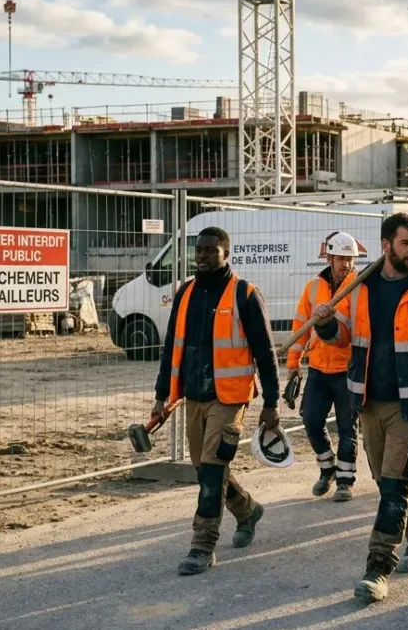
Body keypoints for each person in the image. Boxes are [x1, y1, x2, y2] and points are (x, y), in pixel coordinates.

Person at [312, 212, 408, 604]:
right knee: (387, 479)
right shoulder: (359, 289)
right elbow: (341, 337)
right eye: (406, 243)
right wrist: (326, 323)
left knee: (397, 478)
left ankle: (378, 566)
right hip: (366, 399)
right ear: (386, 246)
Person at [151, 226, 281, 576]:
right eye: (199, 250)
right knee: (206, 470)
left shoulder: (245, 295)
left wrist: (272, 402)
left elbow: (266, 353)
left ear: (226, 253)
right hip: (193, 396)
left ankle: (202, 546)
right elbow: (170, 348)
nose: (202, 256)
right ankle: (247, 510)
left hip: (230, 399)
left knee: (211, 470)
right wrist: (161, 395)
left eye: (210, 250)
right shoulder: (185, 293)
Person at [287, 231, 360, 501]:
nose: (345, 264)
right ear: (329, 257)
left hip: (347, 369)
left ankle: (345, 481)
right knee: (312, 420)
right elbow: (299, 327)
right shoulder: (313, 288)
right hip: (318, 368)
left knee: (346, 427)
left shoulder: (359, 287)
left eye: (350, 259)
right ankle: (327, 468)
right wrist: (293, 364)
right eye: (340, 258)